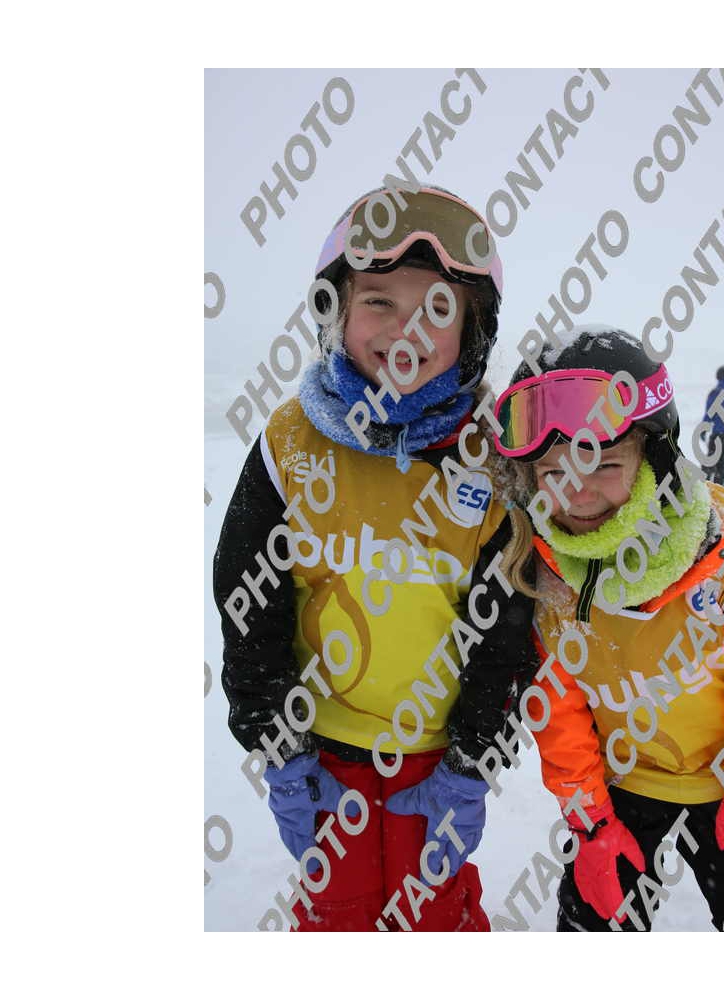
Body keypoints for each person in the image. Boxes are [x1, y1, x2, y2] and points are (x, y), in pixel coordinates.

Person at [213, 186, 536, 932]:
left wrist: (474, 759)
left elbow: (507, 627)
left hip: (435, 756)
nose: (405, 329)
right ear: (336, 311)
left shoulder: (490, 462)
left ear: (473, 330)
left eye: (437, 309)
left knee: (433, 908)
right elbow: (247, 600)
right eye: (379, 302)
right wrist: (278, 742)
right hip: (322, 752)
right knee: (338, 907)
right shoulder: (292, 442)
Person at [483, 326, 724, 931]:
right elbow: (558, 707)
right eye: (552, 471)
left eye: (605, 463)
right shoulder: (541, 571)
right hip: (621, 789)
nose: (577, 490)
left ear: (653, 457)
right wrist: (590, 819)